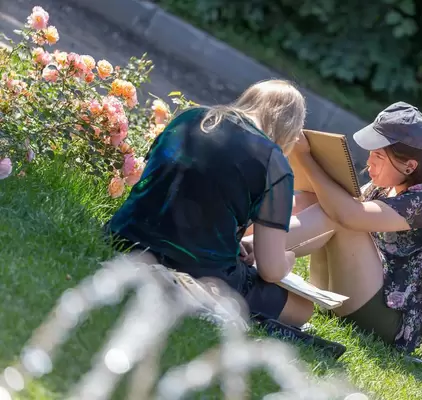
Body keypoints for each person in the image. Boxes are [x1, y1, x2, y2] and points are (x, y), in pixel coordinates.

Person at [246, 101, 422, 353]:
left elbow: (346, 215)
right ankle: (238, 233)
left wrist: (306, 157)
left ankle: (246, 248)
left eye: (379, 156)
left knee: (341, 214)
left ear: (409, 166)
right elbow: (332, 203)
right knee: (318, 198)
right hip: (352, 295)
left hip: (389, 322)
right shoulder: (386, 184)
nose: (369, 162)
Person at [104, 79, 314, 328]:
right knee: (303, 309)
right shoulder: (273, 161)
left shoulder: (191, 117)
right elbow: (270, 269)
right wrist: (287, 259)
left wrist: (232, 241)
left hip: (125, 237)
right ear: (289, 128)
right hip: (197, 270)